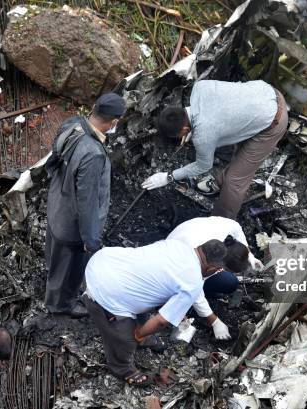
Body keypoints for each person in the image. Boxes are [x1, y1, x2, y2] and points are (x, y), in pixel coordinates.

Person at [83, 239, 227, 386]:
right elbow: (161, 321)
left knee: (144, 316)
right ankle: (120, 367)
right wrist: (138, 335)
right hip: (103, 292)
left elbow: (159, 277)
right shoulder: (193, 282)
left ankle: (142, 336)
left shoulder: (180, 244)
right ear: (211, 269)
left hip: (102, 260)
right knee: (127, 339)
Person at [141, 80, 288, 219]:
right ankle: (219, 183)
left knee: (235, 180)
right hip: (265, 92)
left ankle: (222, 223)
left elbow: (203, 166)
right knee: (240, 154)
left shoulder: (203, 135)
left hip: (273, 120)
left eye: (181, 134)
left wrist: (169, 177)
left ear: (185, 129)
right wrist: (194, 128)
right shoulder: (200, 87)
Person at [44, 93, 125, 317]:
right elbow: (87, 202)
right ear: (114, 122)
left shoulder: (73, 124)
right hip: (71, 222)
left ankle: (52, 274)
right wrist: (90, 239)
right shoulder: (93, 154)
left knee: (55, 255)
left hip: (57, 203)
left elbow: (55, 156)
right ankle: (60, 305)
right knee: (70, 268)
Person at [167, 216, 265, 340]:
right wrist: (214, 321)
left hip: (190, 253)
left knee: (230, 282)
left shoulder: (222, 235)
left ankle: (206, 290)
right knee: (183, 296)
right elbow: (196, 293)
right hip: (172, 267)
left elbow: (236, 227)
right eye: (226, 269)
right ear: (219, 263)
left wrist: (249, 256)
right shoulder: (195, 263)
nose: (224, 271)